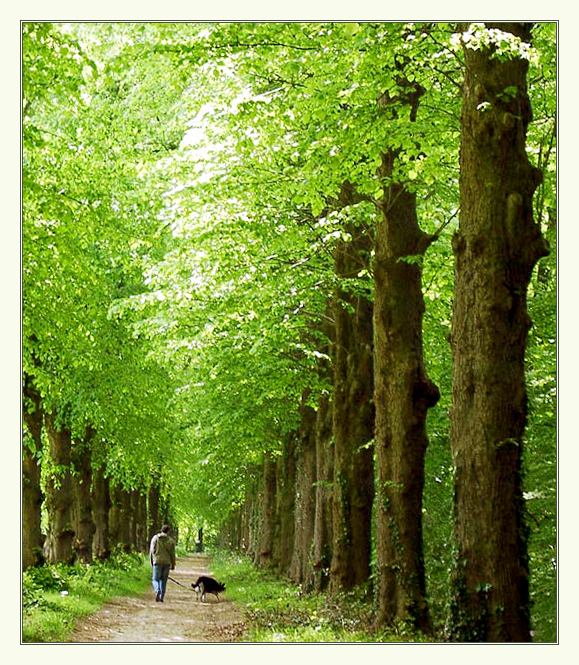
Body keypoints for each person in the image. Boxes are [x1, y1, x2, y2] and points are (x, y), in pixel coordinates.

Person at [149, 524, 176, 602]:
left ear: (161, 530)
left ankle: (157, 590)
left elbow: (152, 551)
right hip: (167, 563)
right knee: (163, 581)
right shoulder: (171, 541)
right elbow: (172, 554)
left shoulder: (155, 538)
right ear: (168, 531)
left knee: (155, 579)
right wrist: (173, 564)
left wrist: (152, 561)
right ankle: (161, 597)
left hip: (157, 561)